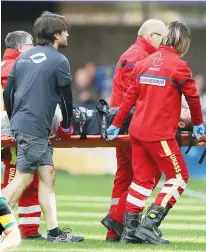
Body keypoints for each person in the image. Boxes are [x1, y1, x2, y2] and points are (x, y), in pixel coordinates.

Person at [106, 21, 205, 244]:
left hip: (137, 132)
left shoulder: (144, 63)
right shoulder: (179, 66)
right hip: (158, 134)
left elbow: (130, 96)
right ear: (182, 42)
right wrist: (198, 123)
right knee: (179, 177)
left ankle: (129, 231)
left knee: (140, 181)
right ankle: (150, 224)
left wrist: (116, 123)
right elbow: (193, 98)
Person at [2, 11, 84, 243]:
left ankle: (55, 232)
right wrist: (67, 125)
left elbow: (9, 92)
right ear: (56, 34)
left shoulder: (23, 58)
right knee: (23, 178)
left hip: (26, 124)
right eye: (65, 30)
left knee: (47, 175)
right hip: (36, 127)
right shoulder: (59, 61)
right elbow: (66, 100)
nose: (68, 34)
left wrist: (15, 116)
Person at [101, 19, 166, 242]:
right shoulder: (141, 57)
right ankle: (115, 219)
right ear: (151, 36)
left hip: (121, 125)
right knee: (147, 175)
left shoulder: (132, 54)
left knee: (124, 177)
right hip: (133, 126)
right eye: (163, 37)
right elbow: (138, 96)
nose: (166, 42)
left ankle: (114, 231)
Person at [1, 31, 43, 240]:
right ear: (20, 49)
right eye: (30, 44)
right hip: (12, 131)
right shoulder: (16, 67)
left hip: (6, 130)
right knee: (16, 178)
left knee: (22, 178)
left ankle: (28, 229)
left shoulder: (4, 66)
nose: (34, 48)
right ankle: (14, 228)